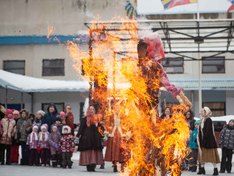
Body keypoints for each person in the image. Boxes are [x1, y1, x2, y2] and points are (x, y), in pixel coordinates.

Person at [77, 105, 104, 172]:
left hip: (95, 137)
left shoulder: (97, 118)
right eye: (90, 109)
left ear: (94, 110)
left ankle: (93, 166)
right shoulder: (84, 118)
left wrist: (98, 125)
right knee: (88, 151)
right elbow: (81, 128)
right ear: (88, 110)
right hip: (86, 138)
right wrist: (77, 136)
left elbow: (101, 129)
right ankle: (88, 166)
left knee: (94, 151)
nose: (91, 110)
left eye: (93, 109)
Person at [197, 107, 220, 175]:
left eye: (203, 111)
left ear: (206, 112)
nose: (202, 112)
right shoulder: (202, 120)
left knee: (212, 157)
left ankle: (215, 170)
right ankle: (202, 169)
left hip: (208, 142)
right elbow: (200, 131)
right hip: (203, 141)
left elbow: (207, 131)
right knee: (202, 157)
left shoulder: (208, 120)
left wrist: (204, 141)